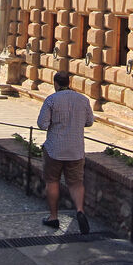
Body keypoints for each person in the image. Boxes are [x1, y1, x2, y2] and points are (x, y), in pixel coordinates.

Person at [36, 71, 94, 233]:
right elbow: (89, 122)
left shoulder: (52, 100)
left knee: (52, 181)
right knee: (76, 183)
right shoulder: (83, 100)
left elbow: (42, 124)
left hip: (55, 148)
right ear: (69, 82)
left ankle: (53, 217)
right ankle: (80, 210)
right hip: (76, 149)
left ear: (55, 83)